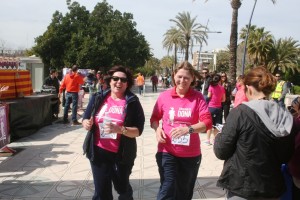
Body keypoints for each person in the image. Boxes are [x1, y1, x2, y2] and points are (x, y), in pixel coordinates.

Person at [214, 66, 296, 199]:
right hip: (272, 187)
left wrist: (218, 136)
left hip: (242, 187)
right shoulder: (286, 117)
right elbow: (286, 155)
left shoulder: (240, 113)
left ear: (249, 88)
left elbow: (221, 151)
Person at [150, 61, 212, 200]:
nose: (182, 80)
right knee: (167, 188)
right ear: (174, 76)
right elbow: (154, 118)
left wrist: (189, 129)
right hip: (167, 151)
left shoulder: (197, 97)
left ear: (192, 80)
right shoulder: (164, 96)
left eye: (186, 78)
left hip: (190, 154)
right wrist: (157, 128)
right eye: (179, 76)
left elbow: (207, 122)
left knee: (184, 192)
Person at [82, 65, 145, 200]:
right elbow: (85, 118)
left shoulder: (132, 102)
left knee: (122, 187)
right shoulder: (98, 97)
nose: (119, 82)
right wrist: (86, 123)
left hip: (121, 154)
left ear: (127, 83)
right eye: (115, 78)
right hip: (98, 152)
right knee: (101, 191)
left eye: (123, 80)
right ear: (109, 81)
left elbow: (138, 131)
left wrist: (120, 129)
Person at [205, 74, 225, 145]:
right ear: (220, 80)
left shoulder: (211, 87)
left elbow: (208, 97)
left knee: (209, 124)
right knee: (217, 125)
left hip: (211, 107)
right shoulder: (222, 88)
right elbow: (223, 99)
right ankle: (214, 140)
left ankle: (207, 140)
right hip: (218, 108)